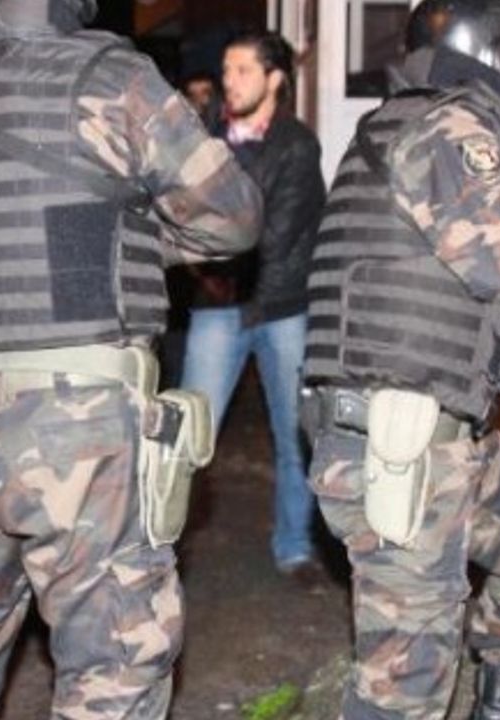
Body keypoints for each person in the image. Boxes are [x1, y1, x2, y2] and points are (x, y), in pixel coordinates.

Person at [0, 0, 262, 716]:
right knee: (113, 668)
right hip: (83, 425)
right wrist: (129, 240)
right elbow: (233, 216)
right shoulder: (109, 76)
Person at [301, 1, 500, 718]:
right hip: (399, 451)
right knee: (406, 688)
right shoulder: (446, 128)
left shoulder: (417, 125)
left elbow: (469, 314)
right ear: (495, 50)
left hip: (437, 441)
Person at [181, 32, 326, 587]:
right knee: (189, 437)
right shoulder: (203, 140)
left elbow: (276, 235)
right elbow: (177, 213)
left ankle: (295, 547)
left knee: (295, 436)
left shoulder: (297, 145)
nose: (230, 81)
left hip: (282, 306)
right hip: (216, 305)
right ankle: (163, 552)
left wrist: (207, 254)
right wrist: (203, 266)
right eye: (227, 69)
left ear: (275, 78)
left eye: (243, 70)